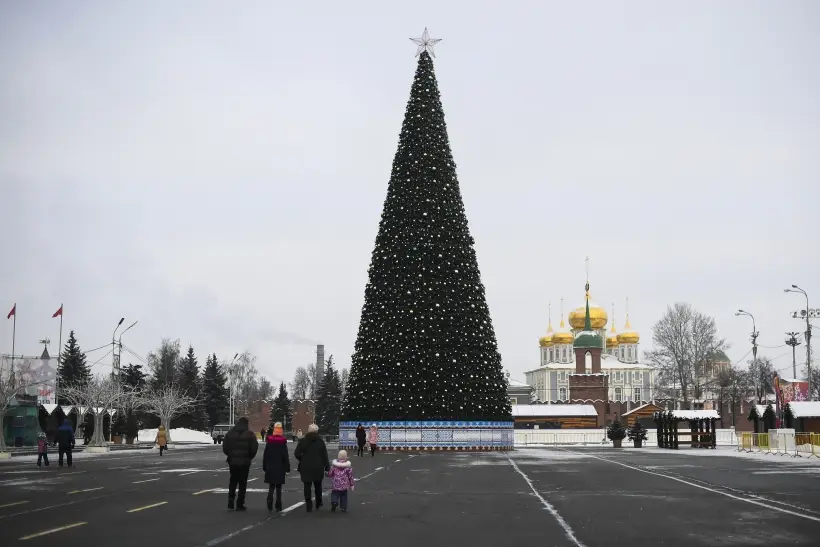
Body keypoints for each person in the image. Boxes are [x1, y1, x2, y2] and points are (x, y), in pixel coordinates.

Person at [222, 417, 259, 511]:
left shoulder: (230, 433)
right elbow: (254, 448)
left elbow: (225, 447)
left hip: (233, 461)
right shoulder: (250, 434)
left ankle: (230, 500)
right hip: (245, 462)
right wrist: (249, 457)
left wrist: (230, 455)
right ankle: (240, 503)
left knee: (233, 481)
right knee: (242, 483)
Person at [294, 423, 329, 512]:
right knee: (318, 485)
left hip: (306, 466)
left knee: (307, 486)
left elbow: (297, 453)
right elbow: (324, 455)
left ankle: (308, 504)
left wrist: (302, 459)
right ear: (317, 431)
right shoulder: (320, 441)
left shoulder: (303, 441)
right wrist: (327, 466)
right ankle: (318, 502)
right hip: (318, 466)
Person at [262, 422, 290, 512]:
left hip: (270, 466)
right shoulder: (283, 443)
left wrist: (264, 466)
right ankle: (278, 504)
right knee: (278, 487)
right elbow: (285, 456)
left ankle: (269, 501)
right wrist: (287, 468)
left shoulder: (269, 442)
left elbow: (265, 455)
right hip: (280, 467)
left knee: (271, 486)